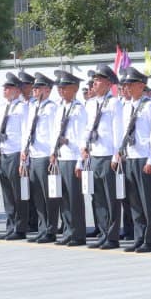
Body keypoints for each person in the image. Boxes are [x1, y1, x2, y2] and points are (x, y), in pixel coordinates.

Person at [114, 66, 151, 252]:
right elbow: (122, 133)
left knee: (147, 201)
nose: (126, 88)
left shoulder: (150, 106)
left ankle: (149, 240)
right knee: (133, 201)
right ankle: (139, 236)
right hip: (130, 157)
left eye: (130, 84)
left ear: (141, 85)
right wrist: (120, 152)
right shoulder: (126, 106)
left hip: (144, 158)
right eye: (125, 85)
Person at [80, 65, 121, 249]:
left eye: (98, 80)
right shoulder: (90, 103)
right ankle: (103, 232)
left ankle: (112, 236)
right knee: (98, 198)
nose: (94, 83)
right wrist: (84, 147)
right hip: (94, 154)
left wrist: (116, 155)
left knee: (111, 198)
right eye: (94, 80)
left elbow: (117, 131)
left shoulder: (114, 103)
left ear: (107, 83)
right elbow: (86, 128)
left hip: (107, 155)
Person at [49, 69, 89, 246]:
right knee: (63, 197)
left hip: (73, 156)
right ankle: (67, 230)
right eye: (59, 87)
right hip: (61, 156)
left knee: (74, 199)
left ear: (74, 89)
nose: (61, 90)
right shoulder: (60, 108)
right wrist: (53, 152)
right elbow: (54, 132)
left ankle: (78, 233)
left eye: (64, 87)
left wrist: (80, 161)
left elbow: (82, 136)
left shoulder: (79, 109)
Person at [0, 73, 30, 240]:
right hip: (2, 152)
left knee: (17, 193)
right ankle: (10, 225)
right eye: (4, 88)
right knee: (7, 193)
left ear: (16, 90)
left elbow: (25, 132)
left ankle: (20, 227)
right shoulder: (1, 108)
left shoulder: (22, 107)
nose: (5, 90)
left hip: (15, 153)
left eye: (8, 88)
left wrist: (24, 158)